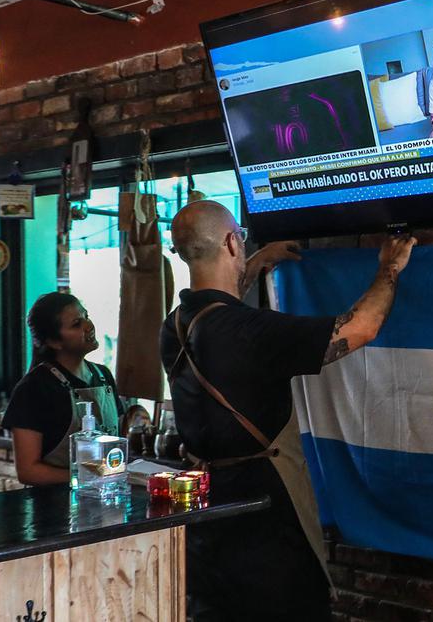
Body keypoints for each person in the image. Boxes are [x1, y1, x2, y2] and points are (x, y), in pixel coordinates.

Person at [159, 200, 415, 621]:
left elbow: (218, 316)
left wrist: (257, 262)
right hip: (265, 522)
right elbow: (360, 327)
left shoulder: (175, 326)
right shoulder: (248, 332)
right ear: (230, 242)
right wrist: (389, 266)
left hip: (206, 518)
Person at [4, 292, 131, 485]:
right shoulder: (34, 388)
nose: (89, 326)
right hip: (54, 506)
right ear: (54, 342)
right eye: (77, 324)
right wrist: (91, 478)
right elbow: (28, 471)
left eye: (86, 317)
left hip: (107, 497)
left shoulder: (103, 376)